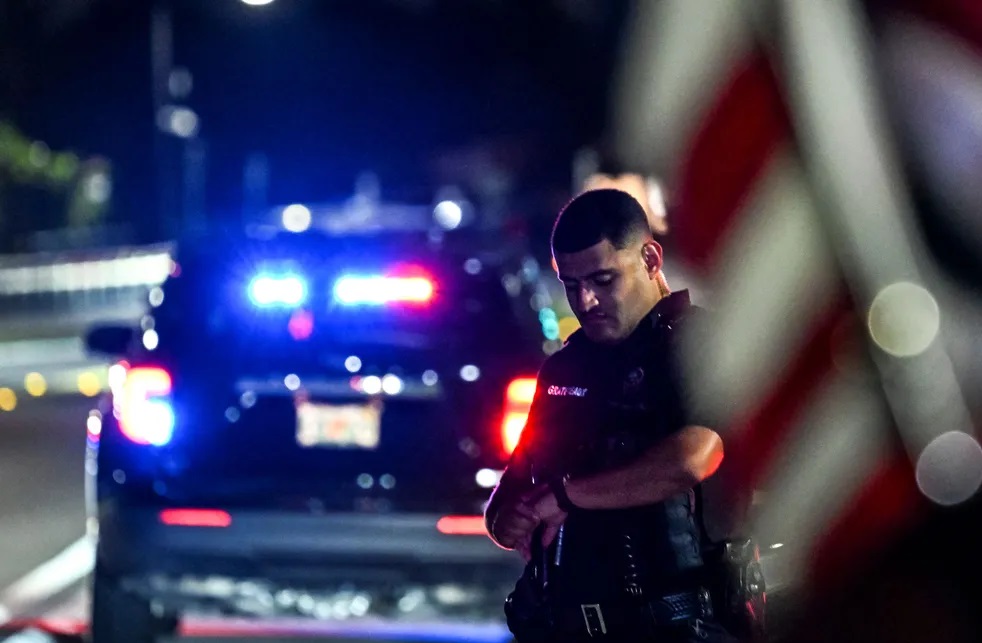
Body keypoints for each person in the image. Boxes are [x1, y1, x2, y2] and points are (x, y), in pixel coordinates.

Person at [485, 189, 757, 642]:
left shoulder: (702, 346)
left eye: (603, 279)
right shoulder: (564, 368)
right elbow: (512, 490)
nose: (586, 301)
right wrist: (507, 520)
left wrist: (566, 496)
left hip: (686, 628)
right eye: (571, 285)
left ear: (650, 259)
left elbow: (693, 458)